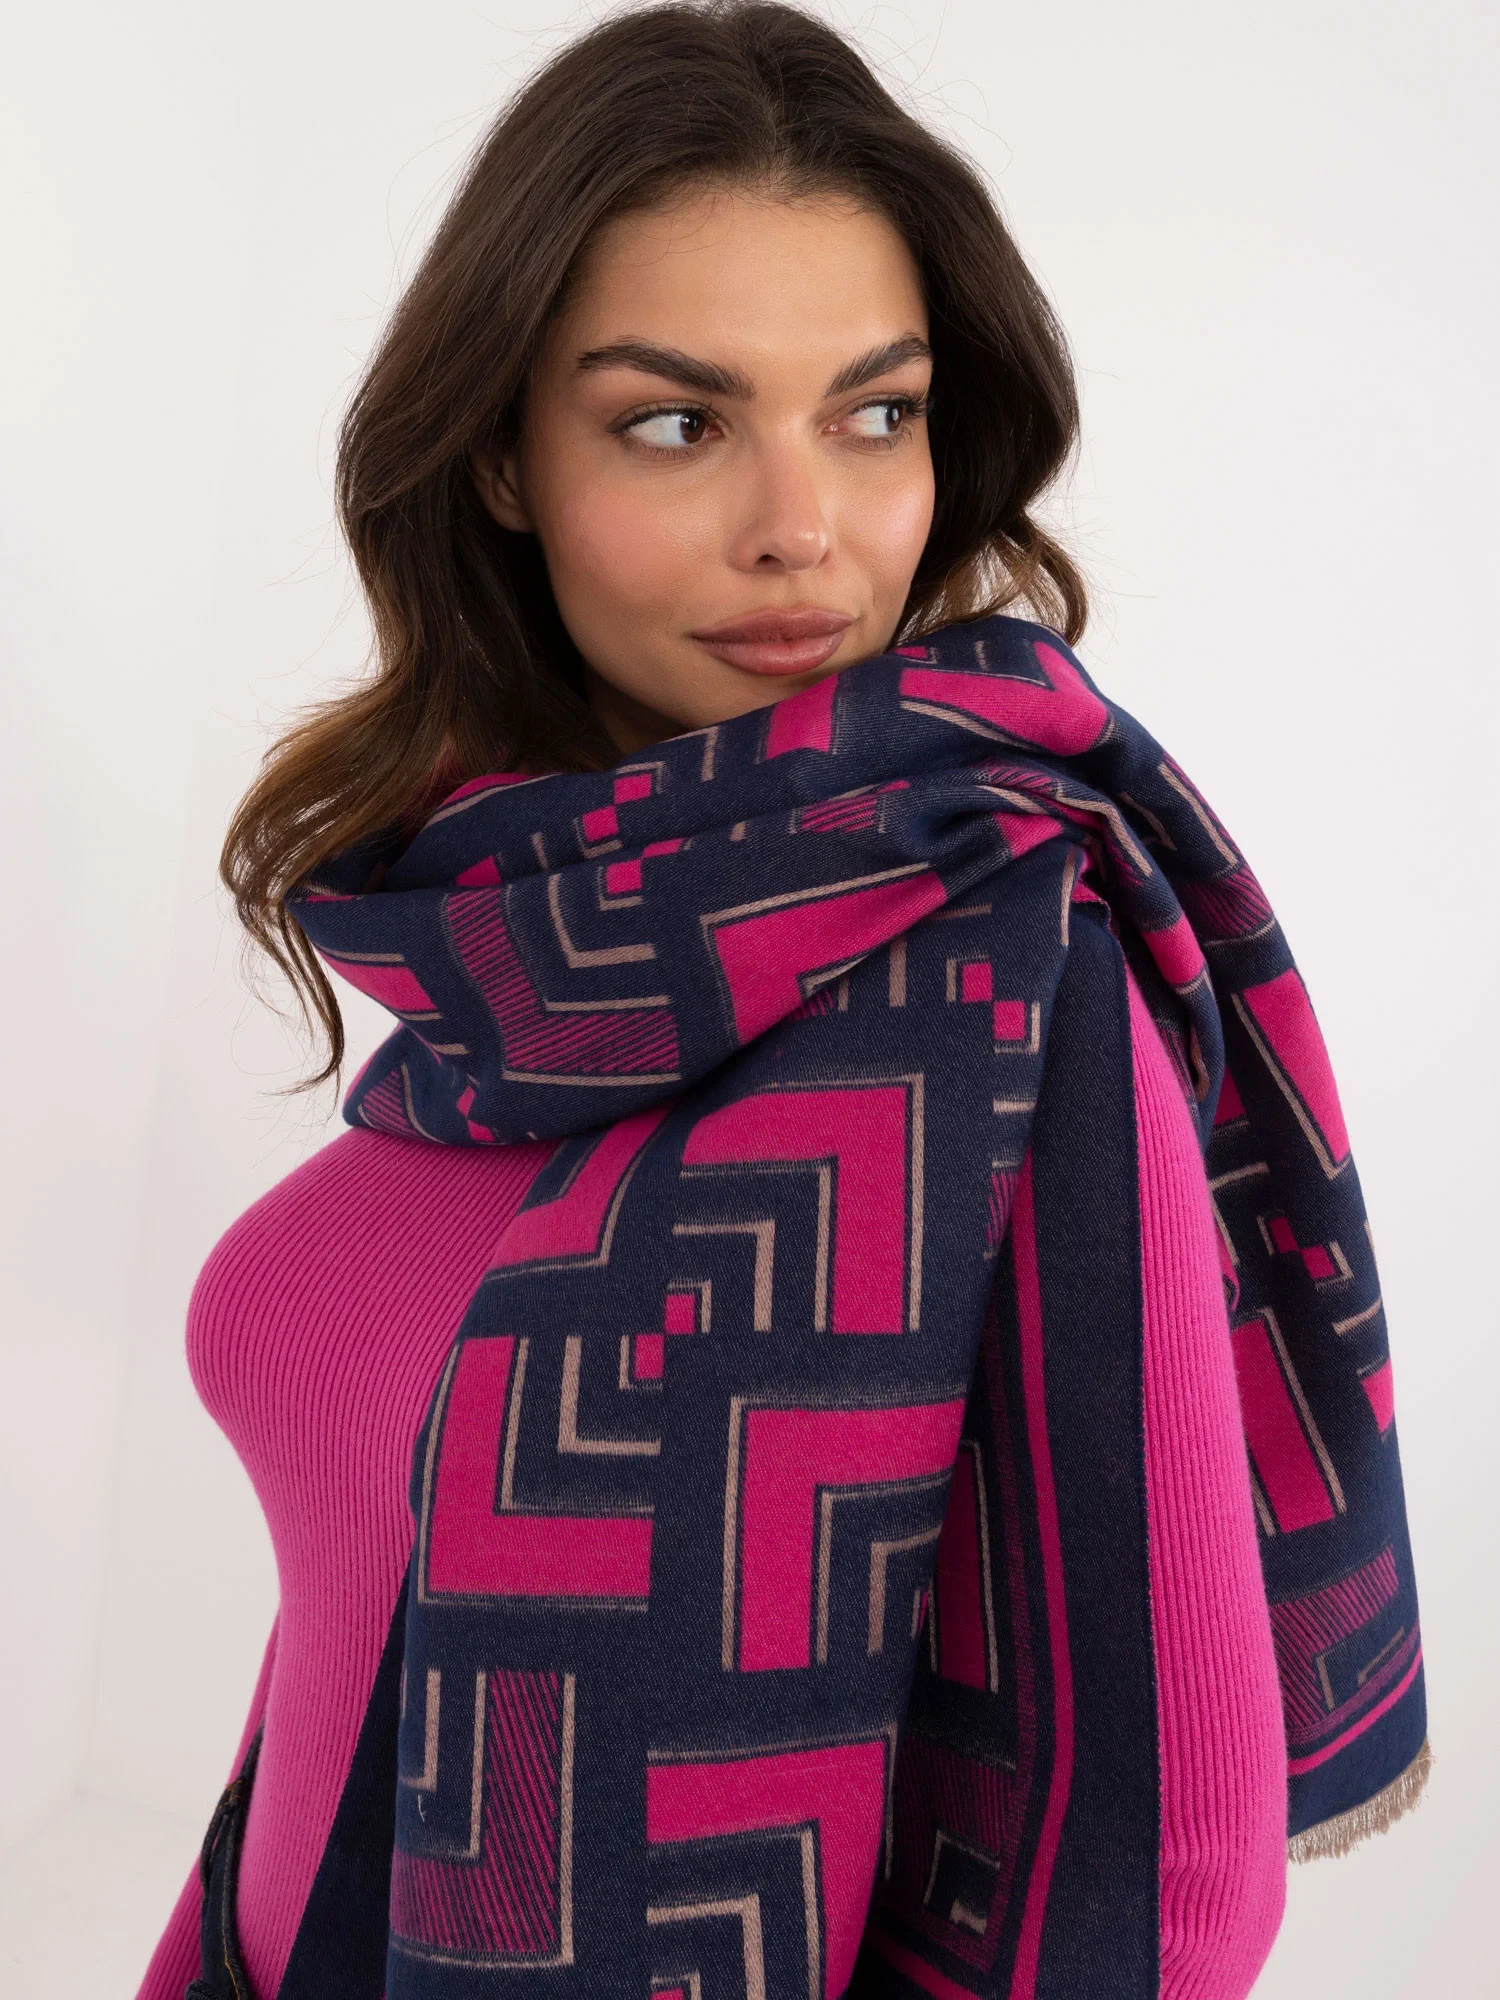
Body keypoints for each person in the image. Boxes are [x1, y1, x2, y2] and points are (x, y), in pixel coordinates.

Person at [137, 6, 1427, 1998]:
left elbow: (1167, 1880)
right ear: (497, 454)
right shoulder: (510, 919)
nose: (803, 528)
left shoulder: (1006, 964)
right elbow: (371, 1608)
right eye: (678, 423)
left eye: (875, 414)